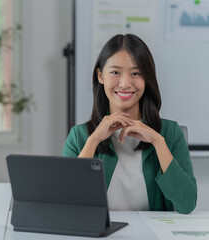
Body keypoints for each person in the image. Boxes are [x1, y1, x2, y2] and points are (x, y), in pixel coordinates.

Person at [63, 34, 197, 214]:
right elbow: (65, 202)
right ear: (100, 75)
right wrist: (93, 140)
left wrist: (158, 142)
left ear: (147, 78)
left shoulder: (170, 133)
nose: (125, 83)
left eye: (136, 73)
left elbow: (187, 204)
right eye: (115, 72)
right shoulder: (80, 136)